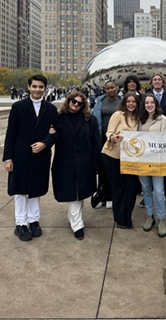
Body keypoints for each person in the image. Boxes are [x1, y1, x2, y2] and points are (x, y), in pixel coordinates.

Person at [3, 74, 59, 241]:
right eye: (34, 86)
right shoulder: (18, 107)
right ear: (28, 87)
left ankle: (34, 221)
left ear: (45, 88)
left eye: (41, 87)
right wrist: (8, 158)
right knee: (20, 190)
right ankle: (20, 223)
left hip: (40, 155)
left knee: (35, 189)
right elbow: (10, 134)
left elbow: (56, 131)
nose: (37, 90)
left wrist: (45, 143)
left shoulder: (50, 108)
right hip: (20, 155)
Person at [51, 92, 99, 240]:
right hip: (65, 161)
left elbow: (96, 143)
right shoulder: (58, 119)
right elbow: (51, 138)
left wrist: (96, 164)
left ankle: (74, 219)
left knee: (79, 193)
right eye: (73, 101)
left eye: (80, 103)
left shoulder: (90, 120)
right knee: (73, 193)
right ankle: (77, 224)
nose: (76, 104)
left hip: (85, 162)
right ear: (68, 101)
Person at [101, 92, 140, 229]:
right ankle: (119, 218)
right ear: (124, 103)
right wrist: (113, 137)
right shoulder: (118, 115)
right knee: (118, 188)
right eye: (128, 101)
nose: (131, 104)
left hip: (130, 159)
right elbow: (109, 131)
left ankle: (127, 217)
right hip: (112, 156)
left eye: (133, 102)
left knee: (130, 188)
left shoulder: (139, 118)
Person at [138, 93, 166, 237]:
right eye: (147, 103)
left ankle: (161, 218)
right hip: (143, 160)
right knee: (145, 188)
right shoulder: (140, 119)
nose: (149, 105)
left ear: (156, 104)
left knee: (158, 190)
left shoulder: (163, 119)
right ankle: (150, 215)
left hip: (157, 161)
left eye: (152, 102)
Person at [146, 72, 166, 207]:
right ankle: (149, 194)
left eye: (159, 79)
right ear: (151, 82)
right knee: (149, 167)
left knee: (165, 167)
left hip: (165, 133)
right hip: (149, 134)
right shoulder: (146, 96)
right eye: (155, 80)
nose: (157, 81)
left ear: (163, 82)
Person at [91, 80, 121, 209]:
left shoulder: (122, 101)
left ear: (116, 88)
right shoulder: (99, 101)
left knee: (113, 168)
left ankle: (112, 196)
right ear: (105, 89)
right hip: (102, 136)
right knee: (102, 167)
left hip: (117, 138)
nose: (110, 90)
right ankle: (102, 194)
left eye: (112, 87)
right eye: (108, 88)